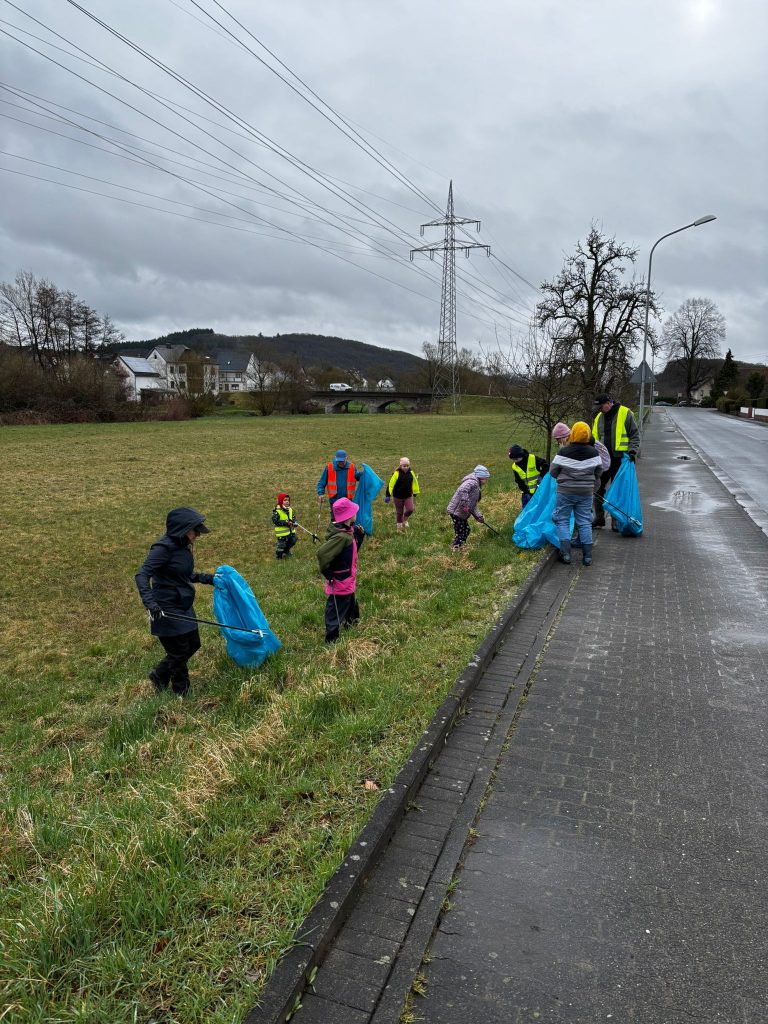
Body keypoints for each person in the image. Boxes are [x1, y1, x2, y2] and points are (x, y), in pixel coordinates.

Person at [135, 507, 216, 696]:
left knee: (193, 644)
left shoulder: (183, 546)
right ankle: (181, 693)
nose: (198, 534)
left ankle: (159, 674)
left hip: (183, 603)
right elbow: (141, 575)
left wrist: (208, 579)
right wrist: (151, 604)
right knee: (179, 652)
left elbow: (183, 574)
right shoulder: (162, 549)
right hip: (165, 607)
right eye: (195, 530)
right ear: (183, 529)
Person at [549, 422, 602, 566]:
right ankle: (587, 556)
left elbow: (553, 471)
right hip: (586, 492)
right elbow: (599, 472)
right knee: (584, 521)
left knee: (562, 520)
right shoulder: (594, 452)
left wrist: (564, 477)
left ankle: (566, 554)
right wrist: (587, 479)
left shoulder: (563, 452)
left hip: (565, 492)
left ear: (573, 434)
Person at [316, 497, 365, 643]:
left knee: (350, 601)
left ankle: (351, 622)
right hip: (341, 579)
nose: (356, 513)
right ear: (348, 516)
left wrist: (359, 537)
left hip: (347, 578)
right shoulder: (342, 537)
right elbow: (322, 554)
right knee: (336, 608)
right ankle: (331, 637)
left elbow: (350, 553)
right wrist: (327, 572)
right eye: (354, 512)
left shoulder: (348, 532)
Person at [592, 394, 640, 530]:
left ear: (609, 403)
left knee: (617, 490)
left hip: (620, 459)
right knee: (597, 488)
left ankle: (616, 521)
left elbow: (634, 435)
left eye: (601, 406)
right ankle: (599, 518)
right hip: (602, 461)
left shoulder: (625, 413)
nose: (600, 409)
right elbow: (594, 438)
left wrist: (632, 451)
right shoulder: (599, 417)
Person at [446, 465, 490, 550]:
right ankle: (456, 548)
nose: (486, 480)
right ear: (481, 477)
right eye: (486, 478)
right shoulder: (472, 482)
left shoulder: (476, 485)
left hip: (460, 513)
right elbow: (462, 490)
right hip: (456, 512)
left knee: (466, 530)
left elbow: (473, 505)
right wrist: (465, 503)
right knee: (462, 531)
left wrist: (479, 517)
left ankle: (460, 546)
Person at [316, 449, 363, 515]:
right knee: (335, 518)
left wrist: (362, 474)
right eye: (338, 461)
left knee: (347, 518)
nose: (340, 463)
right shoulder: (329, 467)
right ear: (335, 458)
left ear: (346, 458)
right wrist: (320, 493)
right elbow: (321, 482)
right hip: (334, 500)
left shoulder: (352, 467)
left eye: (342, 461)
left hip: (347, 500)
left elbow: (357, 477)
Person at [385, 456, 420, 531]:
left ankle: (405, 519)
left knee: (410, 509)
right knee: (399, 512)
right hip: (397, 497)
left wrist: (415, 491)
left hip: (408, 496)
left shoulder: (411, 473)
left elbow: (415, 483)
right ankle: (399, 526)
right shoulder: (396, 474)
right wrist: (388, 495)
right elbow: (390, 485)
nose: (406, 467)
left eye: (407, 466)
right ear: (400, 466)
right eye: (404, 466)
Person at [271, 492, 297, 559]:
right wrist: (285, 522)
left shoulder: (290, 509)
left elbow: (293, 517)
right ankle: (278, 557)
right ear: (280, 501)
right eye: (285, 500)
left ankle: (286, 551)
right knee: (281, 545)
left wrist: (295, 522)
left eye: (288, 500)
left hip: (291, 531)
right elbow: (275, 521)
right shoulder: (277, 510)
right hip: (282, 533)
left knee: (293, 540)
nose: (287, 502)